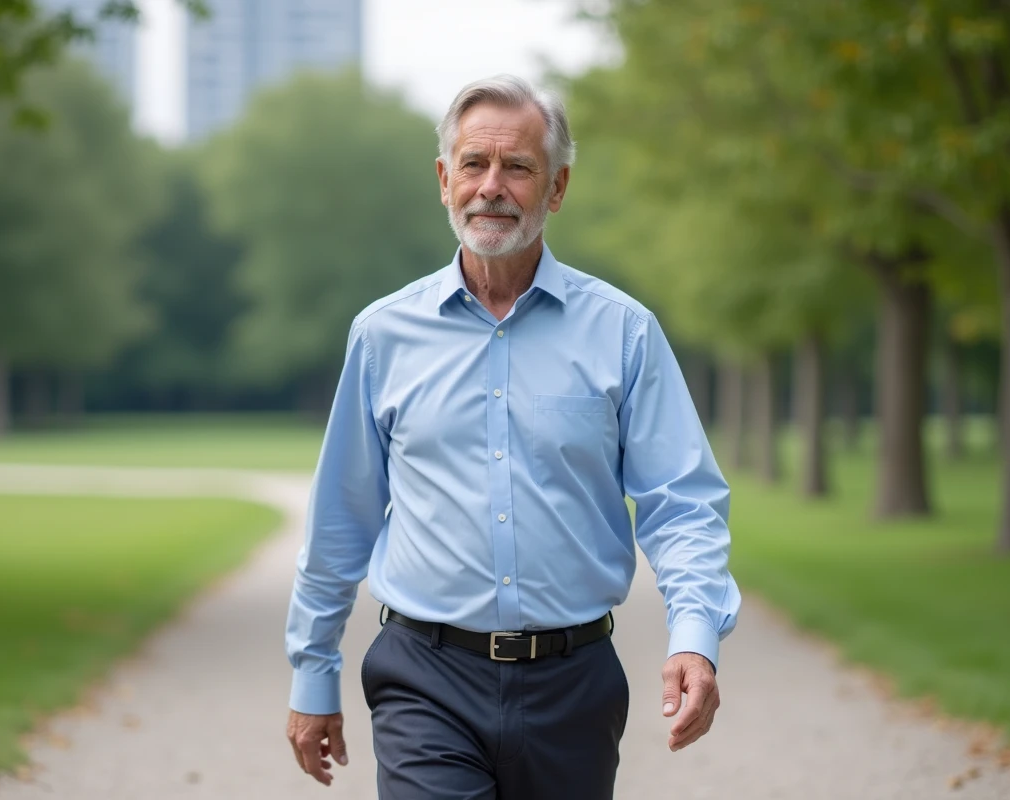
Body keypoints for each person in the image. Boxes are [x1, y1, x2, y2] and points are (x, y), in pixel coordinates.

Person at [284, 75, 741, 799]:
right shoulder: (382, 337)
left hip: (574, 685)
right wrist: (313, 670)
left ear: (556, 188)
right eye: (473, 164)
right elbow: (343, 515)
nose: (491, 186)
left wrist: (695, 637)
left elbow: (681, 502)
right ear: (444, 179)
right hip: (423, 676)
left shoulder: (623, 332)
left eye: (518, 167)